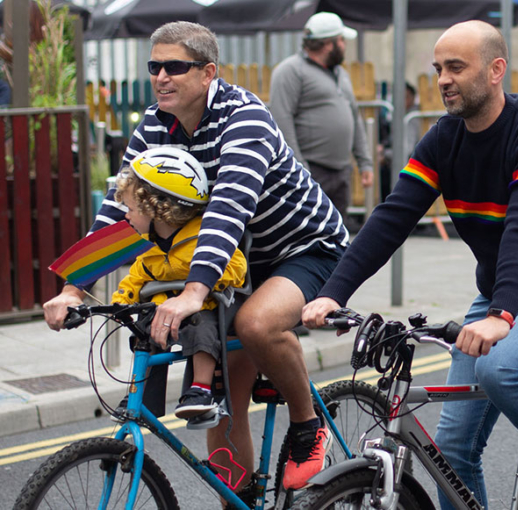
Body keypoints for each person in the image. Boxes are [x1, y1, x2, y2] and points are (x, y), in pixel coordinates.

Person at [304, 20, 518, 510]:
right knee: (452, 453)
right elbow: (391, 218)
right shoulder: (443, 139)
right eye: (437, 69)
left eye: (455, 67)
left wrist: (501, 315)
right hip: (498, 296)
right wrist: (332, 291)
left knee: (502, 368)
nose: (443, 78)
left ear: (495, 71)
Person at [42, 21, 348, 494]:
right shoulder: (154, 124)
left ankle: (308, 427)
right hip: (234, 260)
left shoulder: (244, 117)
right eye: (154, 67)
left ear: (208, 73)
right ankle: (240, 500)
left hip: (303, 247)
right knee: (226, 398)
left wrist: (193, 292)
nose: (161, 77)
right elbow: (125, 208)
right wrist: (72, 287)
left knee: (256, 325)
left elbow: (228, 207)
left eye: (175, 67)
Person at [110, 147, 247, 420]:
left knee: (202, 328)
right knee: (143, 331)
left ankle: (200, 390)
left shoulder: (204, 237)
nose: (126, 216)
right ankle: (142, 395)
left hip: (203, 308)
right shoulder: (151, 246)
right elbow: (137, 274)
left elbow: (236, 265)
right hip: (164, 309)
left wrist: (210, 281)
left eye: (131, 209)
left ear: (157, 210)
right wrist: (120, 300)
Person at [269, 12, 374, 229]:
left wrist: (365, 162)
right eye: (342, 40)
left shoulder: (340, 73)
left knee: (337, 232)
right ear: (328, 44)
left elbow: (354, 116)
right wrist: (299, 169)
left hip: (340, 171)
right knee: (309, 232)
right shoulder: (290, 71)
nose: (344, 45)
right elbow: (282, 120)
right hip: (311, 170)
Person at [378, 82, 420, 199]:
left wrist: (385, 155)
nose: (401, 102)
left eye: (405, 97)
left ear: (412, 98)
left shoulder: (412, 118)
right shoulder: (400, 116)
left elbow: (406, 149)